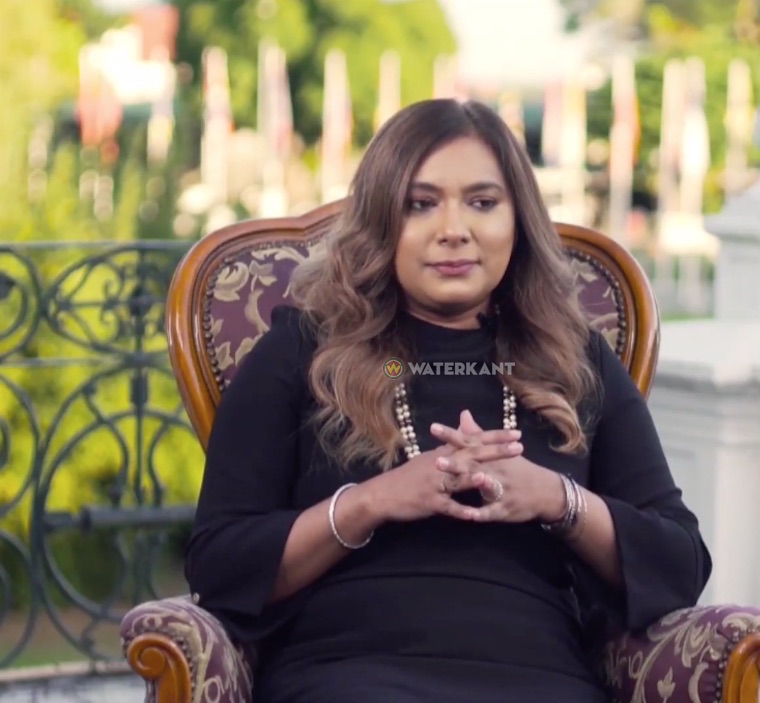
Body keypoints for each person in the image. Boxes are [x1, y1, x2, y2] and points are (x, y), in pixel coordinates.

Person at [183, 98, 712, 703]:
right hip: (348, 675)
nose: (454, 230)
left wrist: (555, 498)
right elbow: (218, 566)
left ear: (518, 220)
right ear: (381, 220)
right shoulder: (302, 350)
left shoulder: (575, 358)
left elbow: (679, 564)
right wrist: (372, 503)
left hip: (536, 678)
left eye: (483, 203)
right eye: (420, 204)